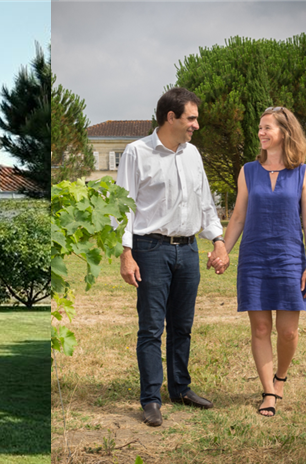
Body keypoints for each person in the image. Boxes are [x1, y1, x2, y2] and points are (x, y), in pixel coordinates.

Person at [116, 87, 228, 427]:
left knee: (182, 325)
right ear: (171, 117)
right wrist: (125, 252)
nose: (196, 125)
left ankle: (181, 388)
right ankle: (151, 398)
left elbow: (204, 201)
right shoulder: (136, 152)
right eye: (191, 118)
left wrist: (218, 240)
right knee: (151, 328)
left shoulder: (192, 154)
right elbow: (123, 206)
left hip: (188, 250)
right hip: (150, 249)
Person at [210, 106, 306, 417]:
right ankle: (268, 392)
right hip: (254, 258)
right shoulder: (248, 171)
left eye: (267, 127)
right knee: (259, 328)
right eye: (259, 128)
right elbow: (239, 216)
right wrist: (224, 250)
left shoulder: (303, 173)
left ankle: (280, 377)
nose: (261, 133)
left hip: (289, 259)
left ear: (285, 132)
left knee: (287, 332)